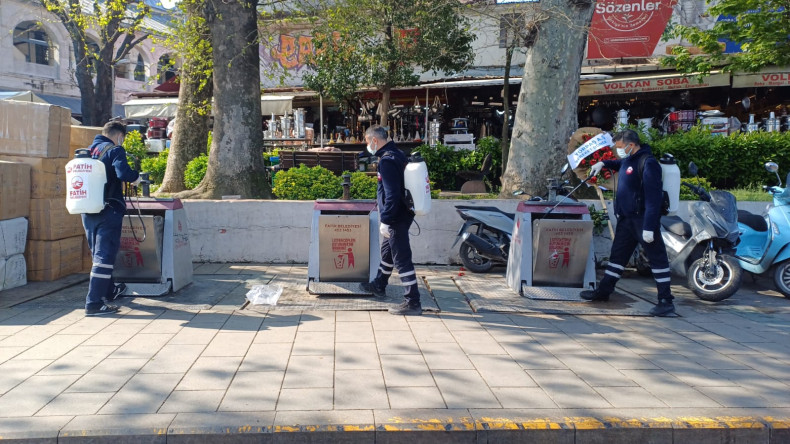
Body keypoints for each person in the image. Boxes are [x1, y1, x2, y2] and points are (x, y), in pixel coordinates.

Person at [581, 129, 675, 317]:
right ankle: (604, 292)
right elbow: (619, 164)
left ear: (631, 145)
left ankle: (666, 301)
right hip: (626, 220)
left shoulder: (648, 163)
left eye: (621, 147)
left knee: (657, 260)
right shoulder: (629, 160)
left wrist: (649, 226)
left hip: (643, 220)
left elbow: (653, 199)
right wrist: (603, 163)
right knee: (617, 257)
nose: (618, 150)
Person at [359, 125, 422, 315]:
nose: (367, 146)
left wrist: (386, 220)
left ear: (374, 141)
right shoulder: (398, 154)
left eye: (367, 142)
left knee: (401, 258)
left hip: (395, 217)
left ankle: (413, 302)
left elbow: (392, 194)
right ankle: (379, 285)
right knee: (387, 251)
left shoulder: (386, 161)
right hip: (403, 213)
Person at [82, 121, 141, 316]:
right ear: (119, 136)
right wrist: (136, 177)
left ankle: (109, 291)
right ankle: (94, 304)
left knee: (97, 256)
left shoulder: (88, 152)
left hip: (87, 211)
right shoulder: (115, 150)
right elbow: (123, 173)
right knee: (105, 256)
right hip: (109, 210)